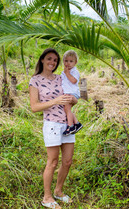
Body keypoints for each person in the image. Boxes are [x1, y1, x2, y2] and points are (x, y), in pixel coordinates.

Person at [29, 48, 77, 209]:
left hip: (67, 123)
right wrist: (55, 101)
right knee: (53, 161)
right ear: (42, 59)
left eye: (55, 60)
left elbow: (73, 96)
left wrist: (72, 99)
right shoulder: (35, 80)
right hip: (52, 124)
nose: (52, 62)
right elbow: (34, 107)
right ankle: (47, 197)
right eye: (49, 59)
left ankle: (58, 191)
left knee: (68, 161)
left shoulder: (60, 77)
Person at [61, 50, 83, 136]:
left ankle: (70, 126)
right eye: (66, 61)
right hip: (67, 92)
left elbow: (74, 81)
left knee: (67, 109)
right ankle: (77, 123)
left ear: (75, 62)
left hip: (72, 93)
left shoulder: (74, 71)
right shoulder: (64, 72)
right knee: (67, 109)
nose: (68, 63)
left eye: (71, 61)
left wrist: (67, 73)